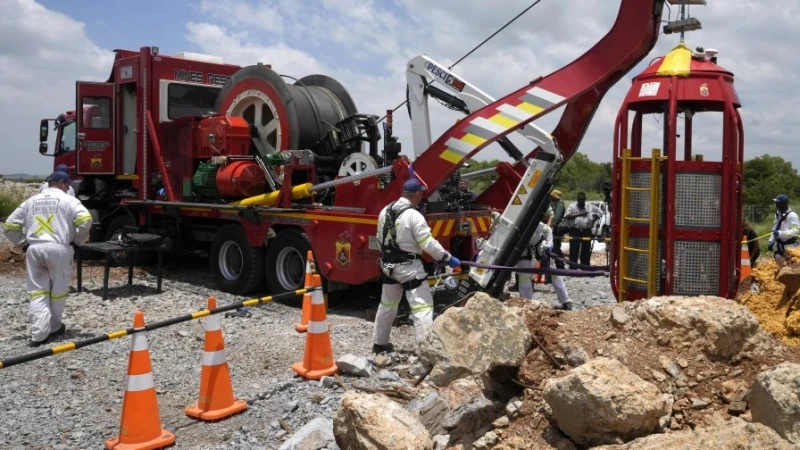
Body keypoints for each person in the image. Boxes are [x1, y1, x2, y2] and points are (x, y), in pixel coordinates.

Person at [3, 171, 93, 347]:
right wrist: (78, 240)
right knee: (57, 291)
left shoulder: (31, 201)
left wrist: (23, 243)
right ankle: (54, 327)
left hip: (35, 249)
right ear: (61, 183)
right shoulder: (69, 200)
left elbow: (9, 225)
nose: (68, 187)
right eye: (67, 184)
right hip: (59, 249)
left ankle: (38, 335)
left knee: (38, 292)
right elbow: (85, 219)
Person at [373, 178, 461, 354]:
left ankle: (379, 344)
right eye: (420, 194)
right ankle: (426, 350)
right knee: (422, 307)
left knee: (387, 305)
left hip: (389, 267)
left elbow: (379, 239)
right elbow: (427, 243)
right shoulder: (414, 216)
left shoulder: (385, 211)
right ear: (415, 194)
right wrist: (447, 257)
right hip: (409, 268)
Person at [515, 207, 575, 310]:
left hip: (541, 250)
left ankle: (566, 301)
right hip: (525, 252)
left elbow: (548, 230)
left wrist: (549, 244)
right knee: (524, 277)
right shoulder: (516, 226)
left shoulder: (534, 224)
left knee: (554, 275)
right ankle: (526, 302)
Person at [564, 192, 601, 266]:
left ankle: (585, 268)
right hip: (575, 231)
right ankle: (573, 268)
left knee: (586, 251)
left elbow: (600, 213)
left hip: (586, 231)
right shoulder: (572, 206)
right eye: (579, 199)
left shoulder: (590, 206)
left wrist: (593, 219)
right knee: (574, 250)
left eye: (582, 199)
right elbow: (567, 216)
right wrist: (580, 214)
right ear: (577, 200)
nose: (580, 201)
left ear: (585, 199)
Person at [767, 194, 800, 258]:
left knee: (791, 266)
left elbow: (796, 231)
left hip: (790, 246)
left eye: (778, 203)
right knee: (779, 266)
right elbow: (775, 227)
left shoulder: (792, 215)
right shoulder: (778, 214)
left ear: (784, 204)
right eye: (776, 202)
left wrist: (781, 233)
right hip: (779, 246)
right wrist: (771, 240)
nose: (776, 204)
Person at [549, 189, 567, 270]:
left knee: (556, 247)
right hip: (554, 229)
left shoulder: (559, 205)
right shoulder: (554, 204)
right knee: (554, 247)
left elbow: (557, 218)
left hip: (556, 229)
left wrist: (552, 227)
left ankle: (560, 264)